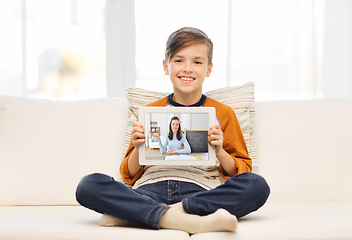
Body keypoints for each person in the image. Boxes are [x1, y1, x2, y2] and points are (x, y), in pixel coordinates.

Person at [75, 27, 270, 234]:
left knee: (257, 186)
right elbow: (129, 175)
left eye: (197, 61)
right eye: (178, 60)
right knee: (89, 185)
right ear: (166, 66)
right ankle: (188, 221)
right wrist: (139, 148)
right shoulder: (150, 112)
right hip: (149, 190)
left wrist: (220, 150)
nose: (187, 68)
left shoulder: (223, 113)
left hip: (199, 194)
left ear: (209, 69)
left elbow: (241, 171)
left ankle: (144, 214)